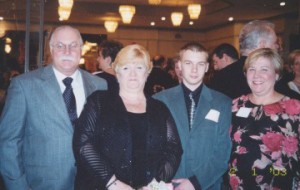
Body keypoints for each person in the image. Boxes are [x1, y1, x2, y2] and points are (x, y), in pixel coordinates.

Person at [0, 25, 107, 190]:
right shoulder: (24, 85)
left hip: (90, 184)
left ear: (81, 49)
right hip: (41, 185)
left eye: (73, 45)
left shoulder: (99, 85)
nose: (67, 50)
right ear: (51, 49)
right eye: (60, 45)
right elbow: (8, 143)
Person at [73, 44, 183, 190]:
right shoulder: (99, 101)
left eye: (139, 68)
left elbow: (174, 148)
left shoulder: (160, 108)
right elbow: (82, 143)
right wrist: (112, 182)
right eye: (126, 68)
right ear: (117, 73)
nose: (133, 74)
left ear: (147, 72)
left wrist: (156, 184)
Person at [154, 42, 232, 190]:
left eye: (200, 64)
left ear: (207, 67)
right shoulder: (159, 100)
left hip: (208, 185)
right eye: (188, 63)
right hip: (170, 183)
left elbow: (223, 152)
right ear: (179, 66)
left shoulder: (223, 103)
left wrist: (195, 182)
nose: (194, 70)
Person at [227, 48, 300, 189]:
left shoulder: (294, 108)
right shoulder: (234, 106)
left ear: (277, 74)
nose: (256, 75)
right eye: (252, 69)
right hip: (239, 185)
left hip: (280, 184)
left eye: (264, 69)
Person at [209, 20, 279, 99]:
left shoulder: (220, 77)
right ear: (262, 45)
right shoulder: (269, 77)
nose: (277, 47)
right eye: (275, 43)